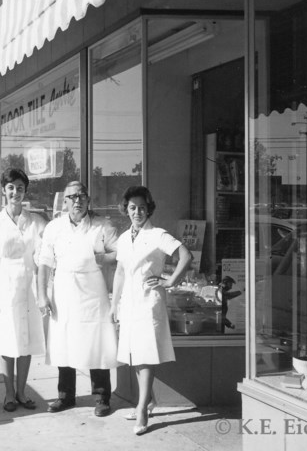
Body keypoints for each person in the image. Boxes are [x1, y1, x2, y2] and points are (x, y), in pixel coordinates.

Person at [109, 185, 193, 435]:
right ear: (126, 209)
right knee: (135, 355)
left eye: (142, 207)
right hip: (129, 303)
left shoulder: (158, 234)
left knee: (145, 356)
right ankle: (150, 400)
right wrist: (114, 305)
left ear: (149, 209)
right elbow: (121, 271)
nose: (137, 212)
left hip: (148, 302)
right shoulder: (124, 239)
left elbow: (186, 256)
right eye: (132, 207)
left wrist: (170, 281)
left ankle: (142, 408)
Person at [37, 181, 119, 416]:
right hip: (63, 290)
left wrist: (104, 258)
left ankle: (102, 397)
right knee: (64, 342)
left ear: (88, 200)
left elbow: (121, 251)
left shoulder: (102, 225)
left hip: (93, 292)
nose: (77, 201)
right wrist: (43, 295)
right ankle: (66, 396)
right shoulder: (54, 227)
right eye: (72, 197)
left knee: (96, 343)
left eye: (82, 196)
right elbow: (44, 262)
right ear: (64, 202)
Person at [0, 167, 48, 412]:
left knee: (26, 340)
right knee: (9, 340)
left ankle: (22, 392)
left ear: (25, 191)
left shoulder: (36, 221)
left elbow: (45, 255)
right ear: (3, 190)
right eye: (11, 187)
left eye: (20, 188)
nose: (15, 192)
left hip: (29, 284)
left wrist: (43, 291)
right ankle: (9, 394)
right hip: (6, 285)